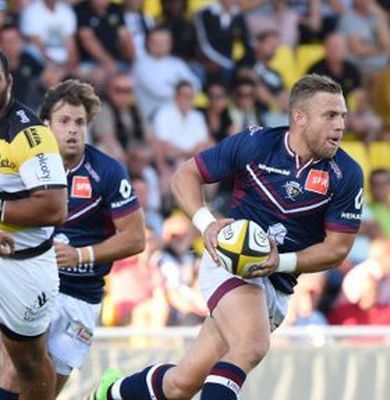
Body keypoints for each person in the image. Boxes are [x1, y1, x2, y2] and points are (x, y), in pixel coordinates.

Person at [90, 73, 364, 400]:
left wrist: (281, 262)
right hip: (229, 262)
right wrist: (207, 224)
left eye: (343, 116)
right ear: (299, 117)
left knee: (181, 385)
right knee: (250, 346)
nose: (340, 125)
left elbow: (337, 249)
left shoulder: (346, 174)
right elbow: (186, 175)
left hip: (277, 283)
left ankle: (108, 393)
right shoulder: (255, 144)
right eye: (330, 115)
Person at [0, 79, 146, 398]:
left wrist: (82, 255)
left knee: (44, 389)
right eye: (64, 121)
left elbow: (136, 238)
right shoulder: (25, 165)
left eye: (80, 122)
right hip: (31, 280)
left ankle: (104, 396)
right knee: (13, 372)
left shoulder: (107, 172)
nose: (73, 130)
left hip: (79, 296)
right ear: (45, 125)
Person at [0, 50, 68, 400]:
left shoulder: (28, 135)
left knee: (26, 362)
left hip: (23, 264)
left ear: (8, 82)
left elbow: (54, 208)